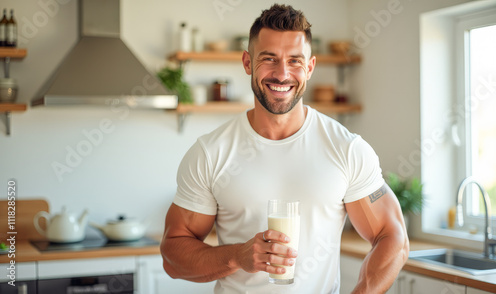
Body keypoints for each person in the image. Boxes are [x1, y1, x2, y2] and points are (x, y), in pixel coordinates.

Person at [161, 4, 409, 293]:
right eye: (269, 59)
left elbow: (392, 236)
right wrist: (237, 256)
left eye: (295, 61)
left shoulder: (346, 148)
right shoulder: (210, 152)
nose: (282, 74)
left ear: (310, 67)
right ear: (247, 63)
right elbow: (173, 257)